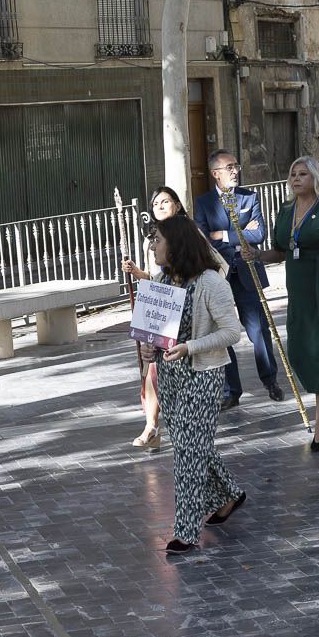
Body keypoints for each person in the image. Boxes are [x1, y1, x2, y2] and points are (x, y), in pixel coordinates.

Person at [138, 215, 246, 554]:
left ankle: (185, 530)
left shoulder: (211, 283)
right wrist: (149, 345)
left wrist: (190, 347)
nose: (152, 245)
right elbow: (156, 333)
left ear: (177, 244)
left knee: (188, 454)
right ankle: (230, 494)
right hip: (169, 376)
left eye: (157, 240)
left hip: (203, 374)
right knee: (190, 444)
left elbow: (232, 332)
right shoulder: (162, 280)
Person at [242, 156, 319, 448]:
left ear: (316, 178)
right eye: (293, 174)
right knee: (297, 353)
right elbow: (281, 251)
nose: (296, 179)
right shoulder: (286, 211)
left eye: (303, 174)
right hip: (299, 296)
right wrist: (257, 256)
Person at [193, 150, 283, 407]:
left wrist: (224, 235)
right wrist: (240, 233)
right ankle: (231, 391)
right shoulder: (204, 203)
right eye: (229, 167)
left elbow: (260, 234)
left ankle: (270, 379)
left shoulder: (249, 197)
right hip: (219, 276)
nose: (235, 171)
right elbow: (203, 240)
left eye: (236, 166)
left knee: (259, 330)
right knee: (223, 333)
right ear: (215, 173)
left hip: (247, 272)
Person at [121, 186, 187, 449]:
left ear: (177, 205)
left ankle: (175, 424)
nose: (160, 206)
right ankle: (151, 426)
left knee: (171, 368)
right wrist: (138, 273)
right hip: (157, 305)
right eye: (156, 202)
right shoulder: (152, 237)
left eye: (165, 201)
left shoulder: (187, 233)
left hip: (180, 306)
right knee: (151, 365)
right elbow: (157, 278)